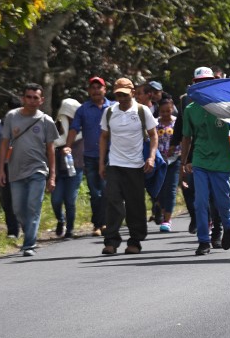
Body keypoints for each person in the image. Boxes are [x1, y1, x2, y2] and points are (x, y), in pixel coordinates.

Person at [179, 68, 230, 256]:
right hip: (200, 160)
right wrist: (183, 163)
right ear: (194, 83)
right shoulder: (190, 109)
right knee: (200, 201)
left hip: (222, 161)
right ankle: (203, 241)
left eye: (207, 81)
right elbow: (187, 138)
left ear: (214, 81)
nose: (203, 84)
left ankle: (228, 226)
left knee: (222, 201)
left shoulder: (225, 107)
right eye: (199, 82)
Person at [0, 84, 57, 256]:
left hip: (38, 169)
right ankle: (28, 230)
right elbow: (4, 143)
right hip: (15, 170)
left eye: (35, 97)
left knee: (33, 205)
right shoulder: (11, 117)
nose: (31, 101)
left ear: (41, 100)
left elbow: (51, 149)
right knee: (17, 209)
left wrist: (52, 176)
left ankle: (29, 244)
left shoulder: (46, 121)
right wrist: (1, 169)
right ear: (23, 98)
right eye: (28, 97)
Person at [100, 77, 158, 255]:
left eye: (125, 94)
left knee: (135, 205)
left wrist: (151, 157)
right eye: (118, 95)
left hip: (135, 165)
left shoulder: (142, 111)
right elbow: (103, 137)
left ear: (132, 93)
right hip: (115, 164)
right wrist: (101, 163)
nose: (122, 98)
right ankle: (111, 240)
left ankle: (135, 241)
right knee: (113, 202)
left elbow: (153, 135)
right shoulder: (110, 112)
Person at [68, 77, 113, 237]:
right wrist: (68, 145)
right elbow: (74, 128)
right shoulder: (83, 109)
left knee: (108, 190)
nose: (95, 90)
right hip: (90, 156)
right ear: (88, 91)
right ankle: (98, 224)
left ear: (104, 89)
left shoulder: (113, 107)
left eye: (98, 87)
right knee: (95, 193)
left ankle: (108, 222)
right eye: (92, 87)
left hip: (112, 155)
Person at [52, 98, 82, 239]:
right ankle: (61, 220)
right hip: (59, 170)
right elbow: (50, 146)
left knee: (70, 200)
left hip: (76, 169)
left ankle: (69, 229)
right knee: (56, 200)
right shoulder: (56, 129)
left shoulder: (82, 131)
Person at [154, 95, 180, 232]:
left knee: (171, 190)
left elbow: (184, 139)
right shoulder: (154, 123)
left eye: (168, 111)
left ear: (172, 110)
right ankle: (159, 207)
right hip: (158, 162)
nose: (165, 114)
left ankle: (167, 220)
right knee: (159, 190)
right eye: (162, 111)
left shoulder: (177, 123)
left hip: (174, 161)